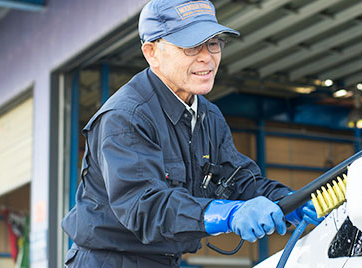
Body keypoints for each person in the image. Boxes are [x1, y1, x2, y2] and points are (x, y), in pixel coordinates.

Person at [61, 0, 322, 267]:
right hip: (108, 261)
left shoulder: (208, 116)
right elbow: (146, 208)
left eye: (213, 42)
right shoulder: (125, 117)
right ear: (152, 52)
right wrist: (229, 214)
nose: (207, 56)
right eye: (190, 46)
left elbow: (239, 180)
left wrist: (290, 201)